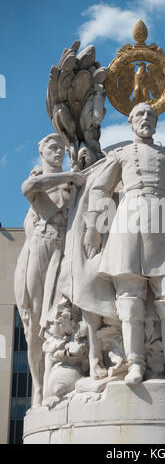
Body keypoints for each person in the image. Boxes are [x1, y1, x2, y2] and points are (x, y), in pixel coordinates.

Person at [83, 103, 165, 385]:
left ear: (156, 124)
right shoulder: (119, 155)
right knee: (129, 298)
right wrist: (93, 227)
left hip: (162, 221)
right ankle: (135, 363)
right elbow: (100, 188)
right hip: (127, 221)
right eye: (140, 115)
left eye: (151, 116)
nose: (146, 119)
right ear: (131, 123)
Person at [14, 133, 85, 406]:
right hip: (42, 247)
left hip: (65, 251)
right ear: (41, 150)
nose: (58, 151)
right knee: (33, 323)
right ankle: (38, 387)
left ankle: (58, 373)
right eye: (53, 147)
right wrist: (71, 177)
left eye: (61, 148)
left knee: (57, 320)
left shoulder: (70, 184)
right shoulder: (44, 180)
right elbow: (28, 188)